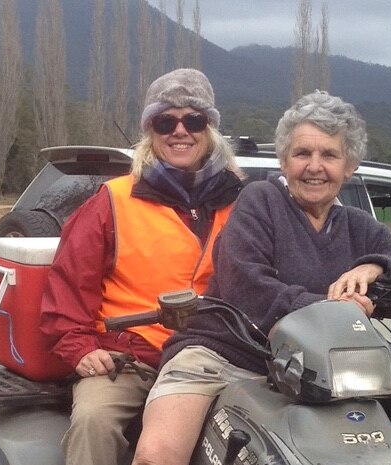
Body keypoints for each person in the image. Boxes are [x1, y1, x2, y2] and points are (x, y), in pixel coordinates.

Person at [131, 90, 391, 465]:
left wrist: (375, 267)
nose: (314, 166)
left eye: (329, 155)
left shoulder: (359, 227)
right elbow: (248, 287)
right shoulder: (259, 201)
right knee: (157, 456)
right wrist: (334, 310)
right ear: (283, 160)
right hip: (219, 356)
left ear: (350, 166)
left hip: (314, 370)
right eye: (302, 154)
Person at [39, 68, 244, 465]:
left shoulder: (243, 201)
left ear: (210, 129)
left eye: (194, 119)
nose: (179, 131)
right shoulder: (112, 200)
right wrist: (79, 348)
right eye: (166, 121)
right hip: (129, 360)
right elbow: (68, 282)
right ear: (151, 130)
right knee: (94, 421)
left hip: (215, 357)